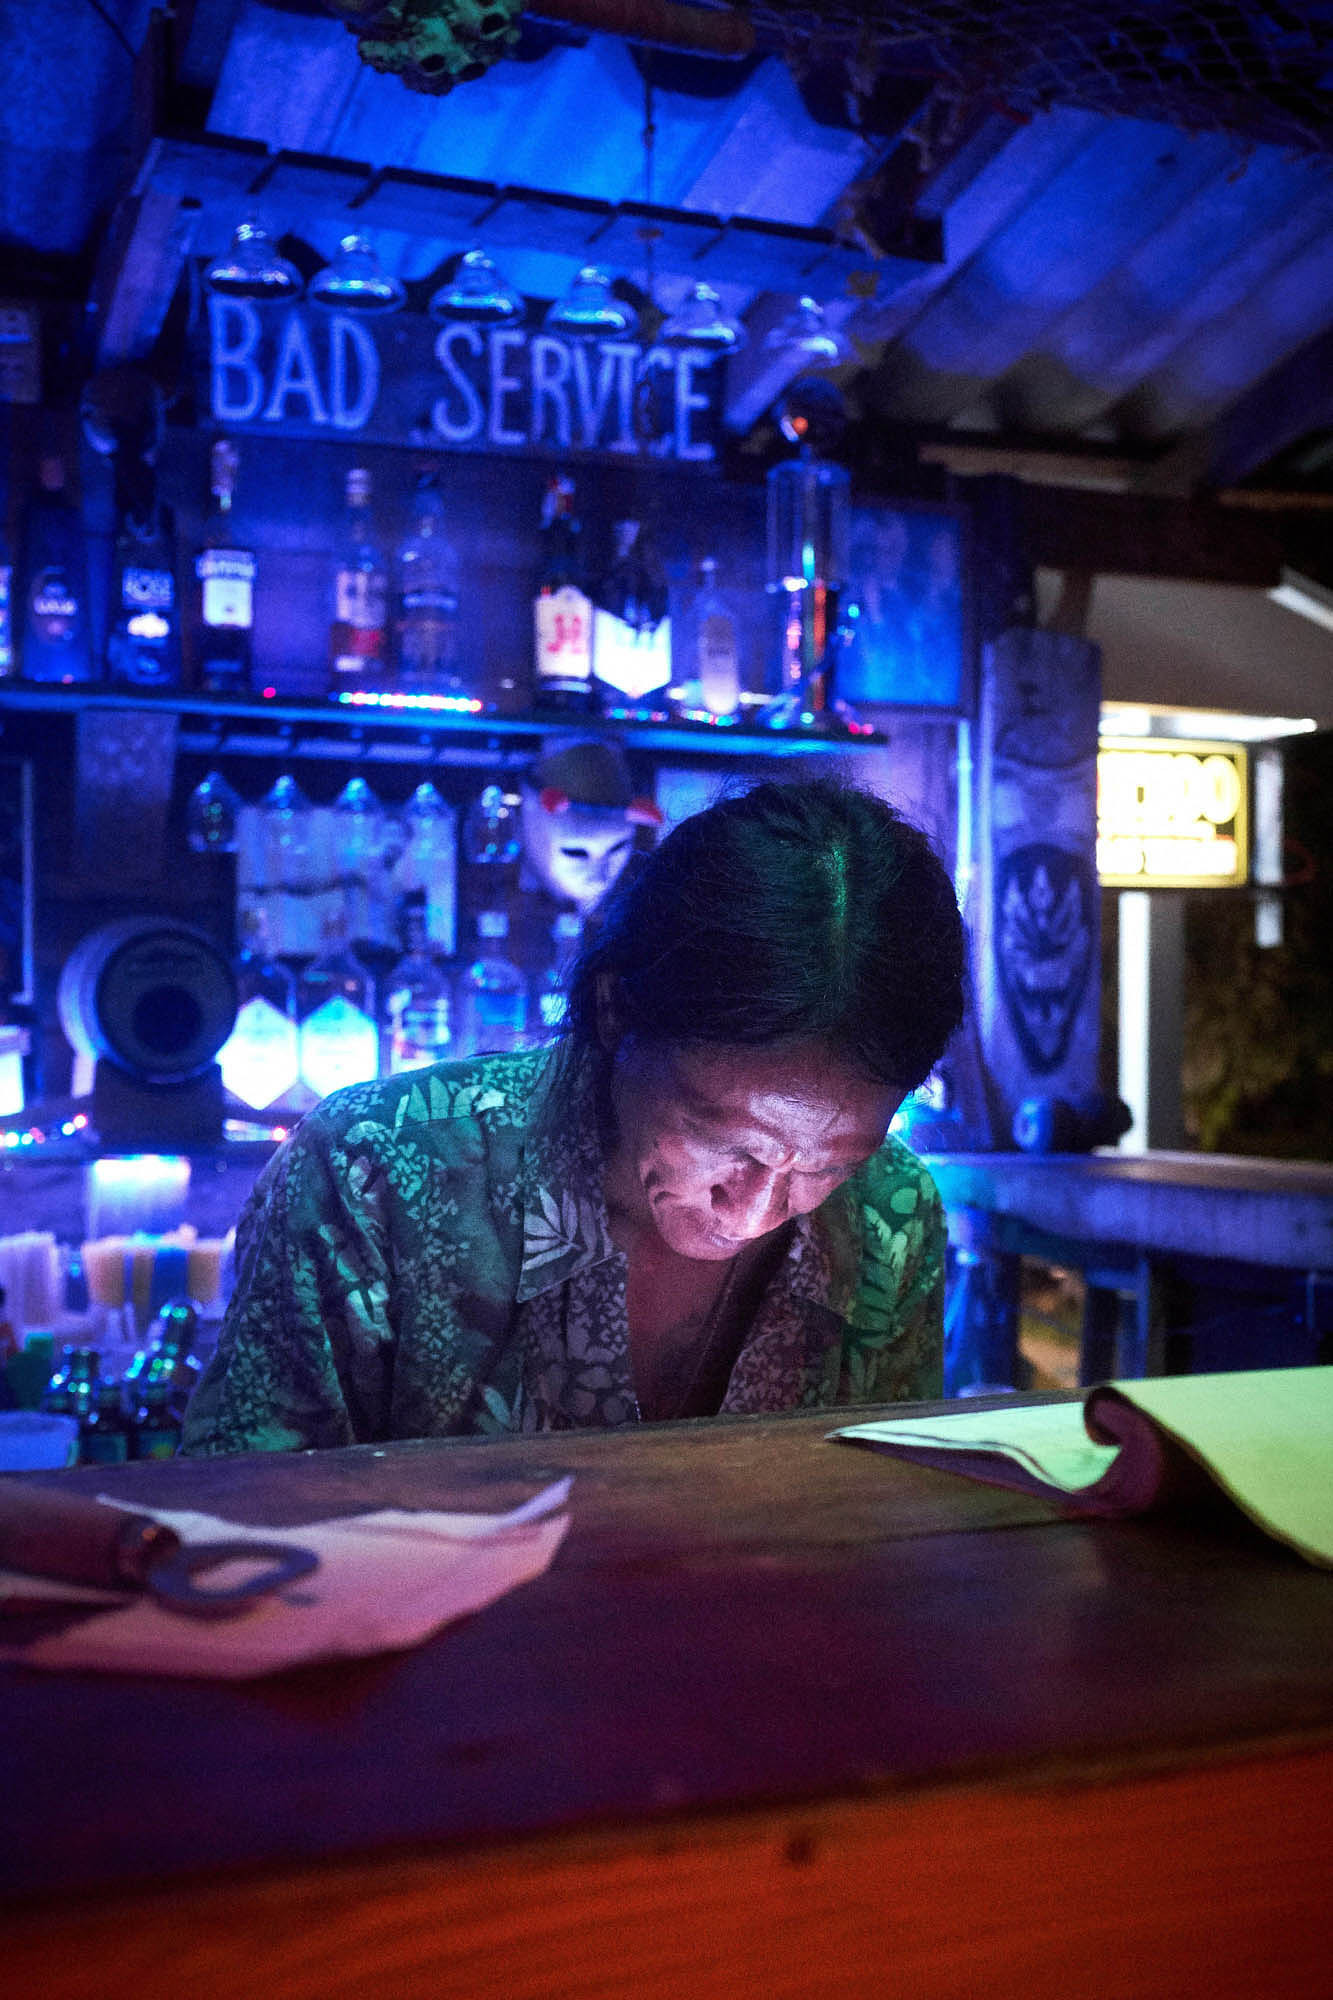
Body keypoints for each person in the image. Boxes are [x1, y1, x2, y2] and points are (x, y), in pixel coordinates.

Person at [182, 778, 966, 1453]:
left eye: (828, 1165)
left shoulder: (888, 1211)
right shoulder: (371, 1173)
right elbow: (241, 1519)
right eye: (723, 1142)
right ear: (615, 1010)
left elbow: (879, 1515)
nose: (757, 1209)